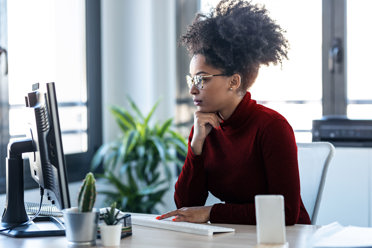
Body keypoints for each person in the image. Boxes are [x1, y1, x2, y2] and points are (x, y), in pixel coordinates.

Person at [157, 0, 311, 225]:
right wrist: (196, 149)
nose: (192, 89)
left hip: (286, 239)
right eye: (191, 79)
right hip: (236, 239)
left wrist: (213, 213)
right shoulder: (203, 128)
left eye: (201, 79)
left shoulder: (272, 127)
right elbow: (186, 207)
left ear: (234, 81)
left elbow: (285, 213)